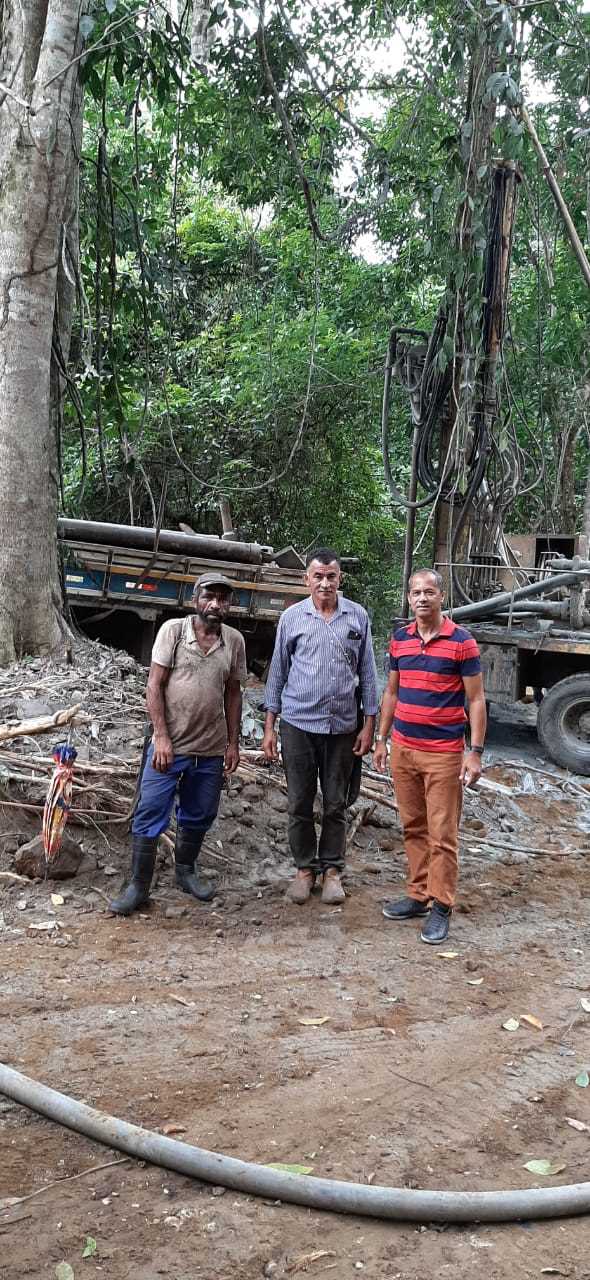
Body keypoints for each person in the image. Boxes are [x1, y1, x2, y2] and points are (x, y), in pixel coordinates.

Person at [110, 571, 246, 916]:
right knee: (151, 810)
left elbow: (233, 693)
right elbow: (154, 686)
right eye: (208, 597)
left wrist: (232, 743)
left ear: (229, 604)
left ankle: (185, 872)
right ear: (194, 600)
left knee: (199, 813)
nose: (215, 604)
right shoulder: (173, 631)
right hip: (168, 747)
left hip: (211, 750)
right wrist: (160, 737)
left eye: (222, 598)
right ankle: (139, 886)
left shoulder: (234, 641)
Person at [373, 568, 486, 944]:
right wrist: (381, 739)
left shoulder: (462, 642)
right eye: (415, 593)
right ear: (408, 598)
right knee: (413, 827)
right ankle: (418, 894)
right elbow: (391, 693)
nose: (422, 598)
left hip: (444, 754)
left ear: (441, 597)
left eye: (429, 593)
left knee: (443, 835)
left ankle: (441, 905)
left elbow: (476, 699)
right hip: (404, 750)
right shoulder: (400, 640)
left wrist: (475, 752)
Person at [262, 548, 378, 905]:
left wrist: (369, 724)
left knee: (335, 803)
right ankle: (304, 869)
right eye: (318, 576)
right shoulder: (292, 618)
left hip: (343, 726)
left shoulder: (356, 616)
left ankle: (331, 871)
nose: (325, 583)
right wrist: (269, 726)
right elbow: (277, 672)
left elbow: (369, 674)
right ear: (306, 579)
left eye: (331, 576)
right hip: (297, 724)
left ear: (339, 579)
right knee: (298, 801)